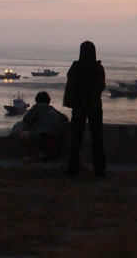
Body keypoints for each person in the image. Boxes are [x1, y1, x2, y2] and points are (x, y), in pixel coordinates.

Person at [63, 41, 106, 178]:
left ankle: (73, 170)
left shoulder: (76, 67)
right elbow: (102, 85)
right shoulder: (98, 68)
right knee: (97, 139)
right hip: (95, 107)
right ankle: (99, 170)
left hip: (79, 107)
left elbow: (70, 83)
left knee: (76, 140)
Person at [19, 91, 68, 161]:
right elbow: (65, 118)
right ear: (49, 101)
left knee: (23, 135)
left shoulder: (38, 106)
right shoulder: (52, 109)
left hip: (45, 139)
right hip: (56, 141)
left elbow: (26, 119)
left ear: (36, 100)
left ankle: (40, 154)